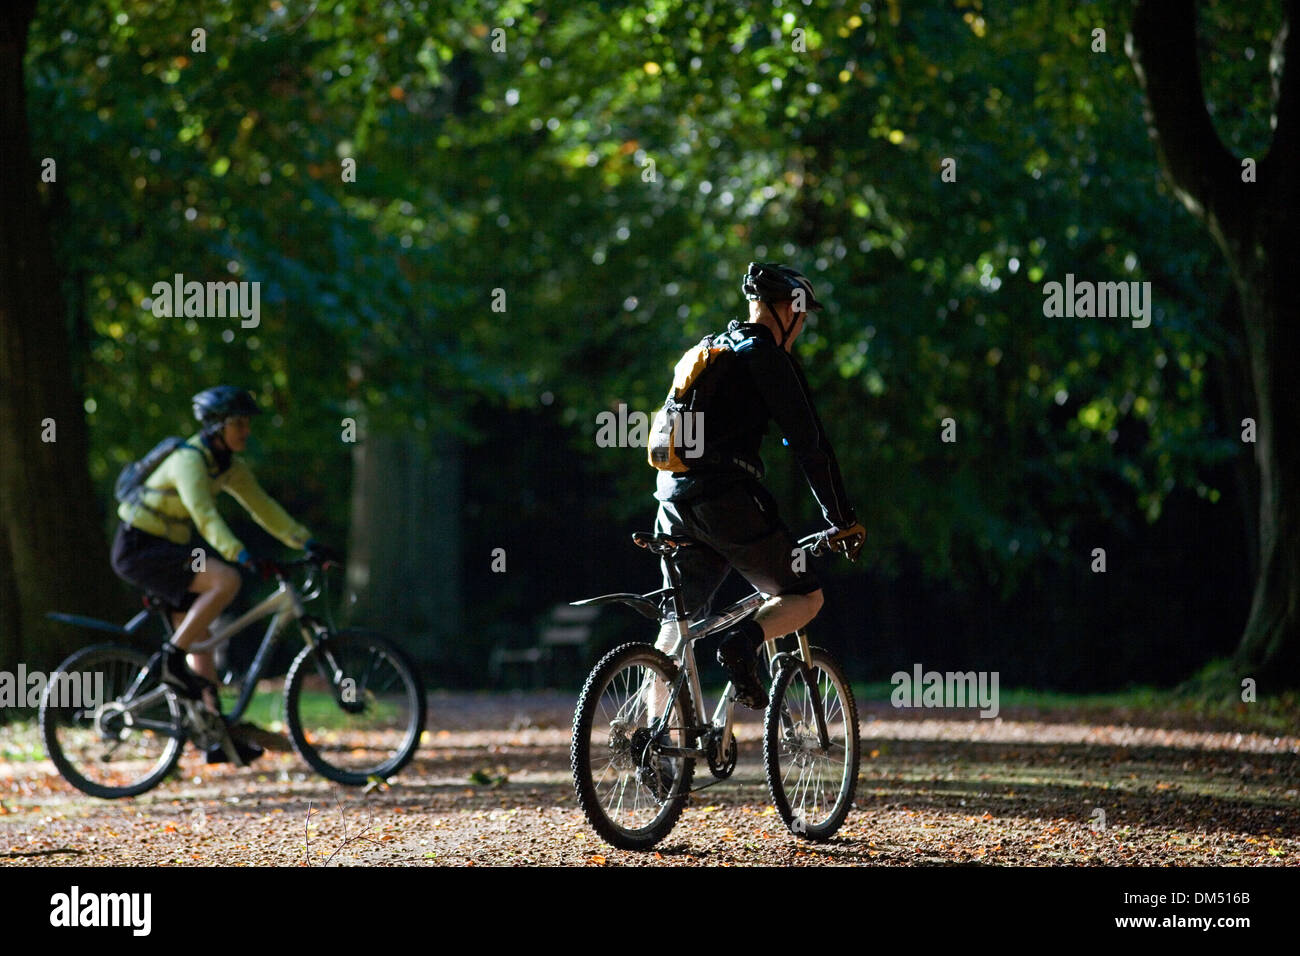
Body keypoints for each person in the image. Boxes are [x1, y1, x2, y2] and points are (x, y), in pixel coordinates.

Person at [652, 262, 865, 710]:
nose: (802, 326)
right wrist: (841, 519)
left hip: (671, 497)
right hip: (726, 500)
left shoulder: (709, 349)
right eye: (802, 317)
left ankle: (658, 749)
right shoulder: (766, 356)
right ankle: (741, 643)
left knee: (679, 622)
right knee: (804, 595)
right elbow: (811, 446)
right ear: (788, 310)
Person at [110, 386, 339, 762]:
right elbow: (204, 515)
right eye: (239, 423)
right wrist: (241, 555)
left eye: (247, 423)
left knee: (202, 639)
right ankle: (171, 659)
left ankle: (214, 734)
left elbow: (263, 508)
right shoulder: (189, 461)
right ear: (217, 425)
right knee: (226, 579)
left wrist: (307, 542)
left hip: (172, 551)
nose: (246, 431)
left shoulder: (228, 465)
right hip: (141, 549)